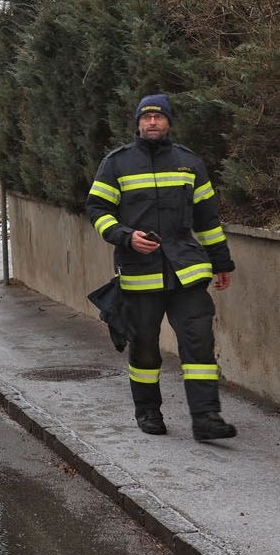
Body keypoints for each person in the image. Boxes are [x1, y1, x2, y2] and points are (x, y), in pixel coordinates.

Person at [86, 93, 238, 441]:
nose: (152, 122)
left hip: (187, 270)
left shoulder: (189, 163)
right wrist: (126, 236)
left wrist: (221, 262)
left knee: (199, 344)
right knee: (144, 347)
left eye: (159, 116)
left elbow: (207, 218)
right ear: (138, 122)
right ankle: (148, 411)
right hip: (140, 274)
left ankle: (206, 418)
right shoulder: (116, 164)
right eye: (146, 117)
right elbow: (96, 210)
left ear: (169, 121)